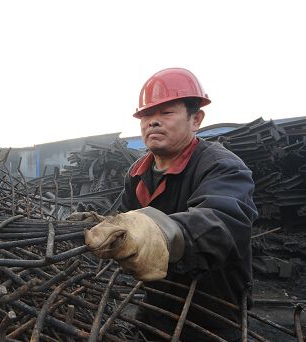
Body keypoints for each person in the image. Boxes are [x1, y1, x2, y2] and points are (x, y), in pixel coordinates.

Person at [82, 68, 258, 341]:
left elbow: (221, 222)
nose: (153, 122)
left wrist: (163, 233)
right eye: (146, 116)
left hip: (212, 311)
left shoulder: (222, 167)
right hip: (156, 303)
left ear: (196, 119)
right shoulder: (137, 173)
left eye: (166, 113)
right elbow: (130, 224)